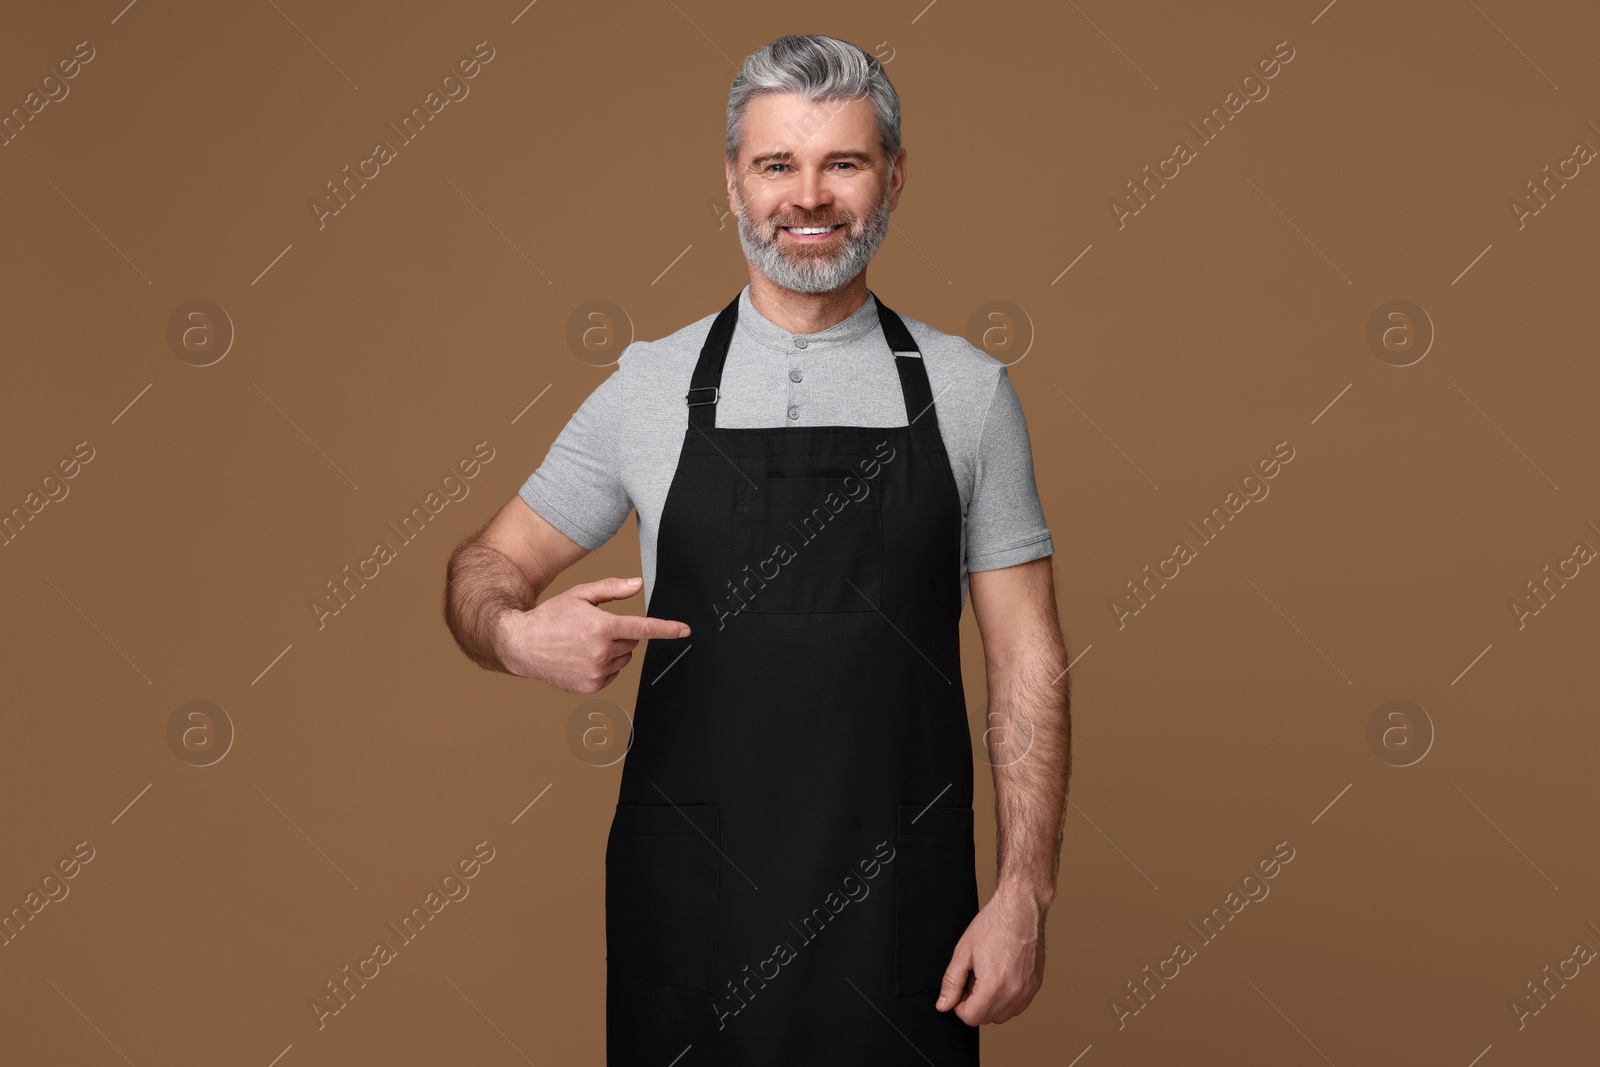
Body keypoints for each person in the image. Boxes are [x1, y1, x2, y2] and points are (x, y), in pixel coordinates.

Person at [443, 33, 1070, 1065]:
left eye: (844, 163)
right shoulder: (647, 387)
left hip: (898, 908)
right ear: (732, 181)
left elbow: (1028, 657)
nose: (808, 196)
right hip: (694, 908)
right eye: (777, 163)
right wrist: (514, 635)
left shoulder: (966, 393)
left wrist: (1024, 891)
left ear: (893, 179)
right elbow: (483, 567)